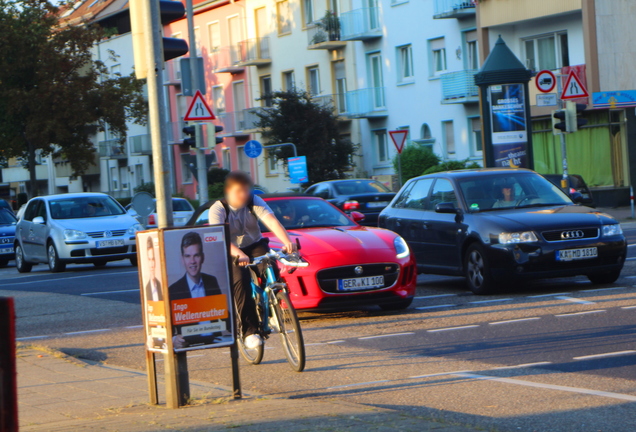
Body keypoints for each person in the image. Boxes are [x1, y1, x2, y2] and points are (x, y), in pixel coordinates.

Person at [208, 171, 297, 350]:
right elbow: (219, 237)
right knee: (240, 281)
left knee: (271, 266)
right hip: (231, 249)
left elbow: (271, 222)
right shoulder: (218, 209)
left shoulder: (254, 201)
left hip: (255, 244)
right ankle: (249, 331)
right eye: (239, 191)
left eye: (246, 190)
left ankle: (274, 309)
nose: (243, 195)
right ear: (229, 191)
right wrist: (238, 254)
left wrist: (287, 241)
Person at [169, 231, 223, 349]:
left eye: (196, 255)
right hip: (188, 343)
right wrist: (173, 340)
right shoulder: (173, 290)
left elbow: (224, 317)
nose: (192, 261)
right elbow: (166, 326)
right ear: (182, 259)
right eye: (188, 256)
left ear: (202, 257)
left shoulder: (212, 281)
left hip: (215, 342)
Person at [145, 236, 163, 302]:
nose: (152, 265)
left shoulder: (159, 284)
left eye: (153, 259)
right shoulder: (147, 287)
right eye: (149, 260)